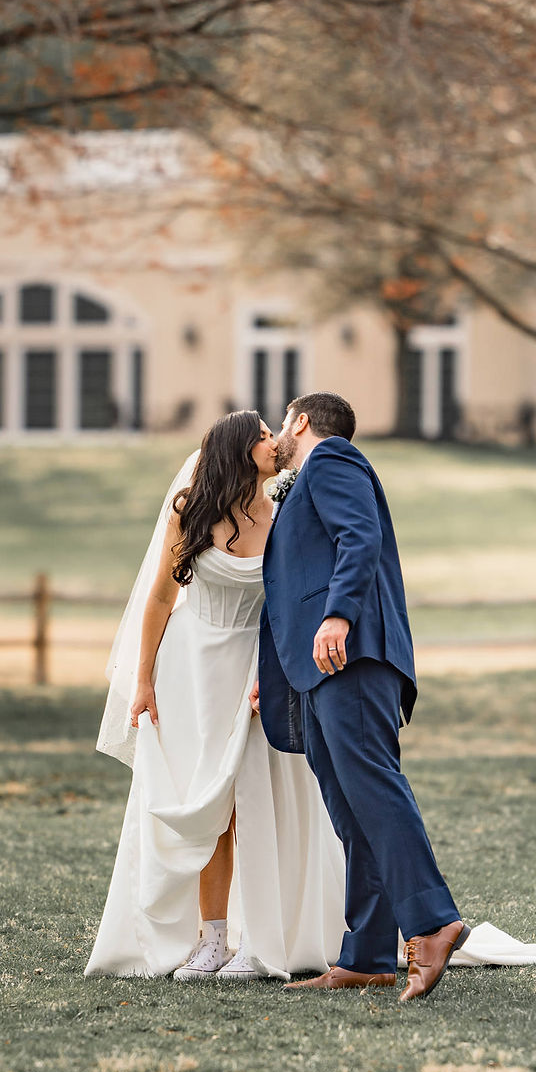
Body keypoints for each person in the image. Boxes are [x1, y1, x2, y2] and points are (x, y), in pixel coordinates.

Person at [84, 411, 346, 981]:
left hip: (256, 671)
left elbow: (293, 605)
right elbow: (158, 599)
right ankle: (213, 938)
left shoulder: (284, 516)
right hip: (191, 671)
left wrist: (274, 673)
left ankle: (263, 937)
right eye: (259, 436)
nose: (271, 441)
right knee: (209, 806)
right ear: (236, 450)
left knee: (256, 801)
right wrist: (144, 680)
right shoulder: (191, 511)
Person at [256, 391, 469, 1003]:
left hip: (350, 654)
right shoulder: (308, 480)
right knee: (350, 808)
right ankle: (370, 954)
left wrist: (338, 616)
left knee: (372, 786)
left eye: (280, 422)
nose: (276, 436)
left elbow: (359, 536)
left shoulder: (332, 460)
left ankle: (432, 923)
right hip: (319, 667)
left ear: (300, 421)